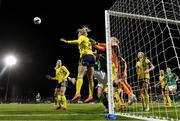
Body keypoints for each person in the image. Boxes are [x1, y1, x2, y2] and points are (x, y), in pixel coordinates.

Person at [60, 26, 95, 103]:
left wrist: (67, 41)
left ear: (80, 33)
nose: (78, 34)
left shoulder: (82, 37)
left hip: (85, 56)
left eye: (78, 33)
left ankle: (78, 93)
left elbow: (78, 42)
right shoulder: (88, 39)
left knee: (80, 75)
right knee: (90, 79)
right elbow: (94, 44)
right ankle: (90, 95)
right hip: (92, 57)